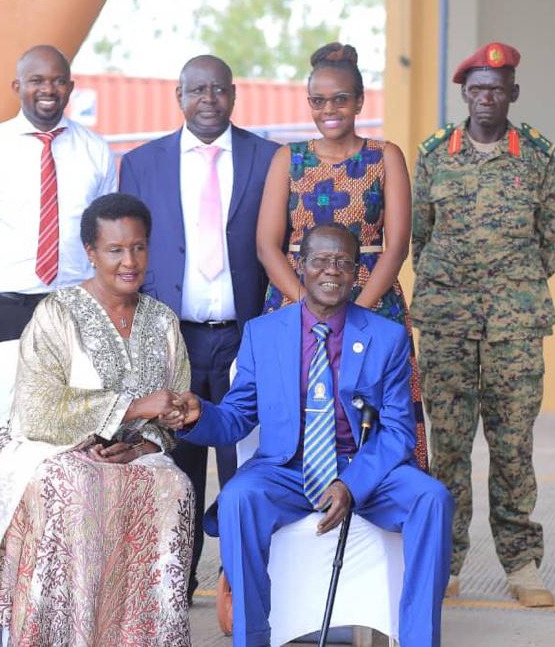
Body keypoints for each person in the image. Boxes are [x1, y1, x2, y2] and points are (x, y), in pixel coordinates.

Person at [168, 223, 452, 647]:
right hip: (287, 467)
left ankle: (417, 639)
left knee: (432, 498)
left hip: (364, 468)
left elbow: (396, 433)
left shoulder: (386, 337)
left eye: (342, 262)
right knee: (239, 498)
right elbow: (236, 417)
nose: (330, 271)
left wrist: (351, 485)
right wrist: (196, 417)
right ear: (301, 267)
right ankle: (253, 638)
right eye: (320, 260)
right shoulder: (263, 334)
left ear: (357, 272)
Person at [0, 194, 194, 647]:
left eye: (139, 247)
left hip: (130, 454)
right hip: (43, 448)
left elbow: (171, 414)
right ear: (90, 252)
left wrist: (143, 443)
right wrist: (129, 408)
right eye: (115, 250)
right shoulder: (57, 313)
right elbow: (36, 408)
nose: (130, 261)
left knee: (176, 486)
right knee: (77, 487)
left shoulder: (163, 322)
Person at [118, 54, 280, 601]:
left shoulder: (269, 158)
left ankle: (239, 583)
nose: (207, 99)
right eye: (196, 90)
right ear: (178, 95)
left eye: (218, 89)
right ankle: (174, 588)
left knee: (245, 467)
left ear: (234, 95)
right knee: (175, 464)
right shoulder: (141, 162)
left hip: (247, 333)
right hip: (174, 336)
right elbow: (132, 250)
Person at [412, 42, 555, 607]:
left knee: (512, 445)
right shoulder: (435, 154)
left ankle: (522, 564)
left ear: (513, 95)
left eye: (496, 89)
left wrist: (507, 292)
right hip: (448, 323)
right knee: (447, 447)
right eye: (476, 90)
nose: (485, 100)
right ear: (464, 94)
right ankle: (445, 565)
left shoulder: (538, 156)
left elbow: (548, 242)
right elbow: (420, 237)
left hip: (515, 325)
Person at [255, 43, 428, 470]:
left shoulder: (385, 156)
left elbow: (398, 245)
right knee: (300, 405)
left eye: (340, 99)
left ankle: (388, 510)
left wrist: (356, 314)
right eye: (318, 101)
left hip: (373, 296)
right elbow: (266, 245)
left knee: (379, 408)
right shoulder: (288, 159)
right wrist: (307, 308)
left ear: (359, 101)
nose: (328, 109)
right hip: (296, 301)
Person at [0, 45, 117, 349]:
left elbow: (107, 239)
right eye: (36, 80)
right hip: (7, 311)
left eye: (58, 80)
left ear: (70, 87)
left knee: (79, 396)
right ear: (18, 87)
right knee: (7, 396)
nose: (48, 89)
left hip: (76, 307)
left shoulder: (96, 151)